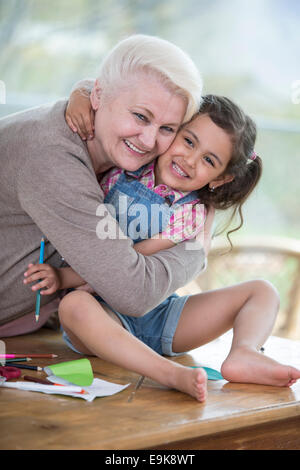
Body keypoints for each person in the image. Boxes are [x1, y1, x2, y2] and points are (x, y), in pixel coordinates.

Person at [23, 95, 300, 401]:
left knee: (262, 290)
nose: (190, 160)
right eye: (189, 141)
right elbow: (108, 109)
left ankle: (244, 352)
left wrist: (64, 278)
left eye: (209, 160)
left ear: (220, 179)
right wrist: (79, 96)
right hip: (102, 316)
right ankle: (167, 373)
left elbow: (131, 258)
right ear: (171, 131)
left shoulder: (192, 213)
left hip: (160, 315)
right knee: (73, 307)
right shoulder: (126, 164)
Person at [0, 34, 208, 337]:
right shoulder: (53, 160)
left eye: (167, 128)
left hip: (34, 327)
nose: (150, 141)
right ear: (98, 96)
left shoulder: (116, 147)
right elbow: (133, 292)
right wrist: (196, 246)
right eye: (140, 116)